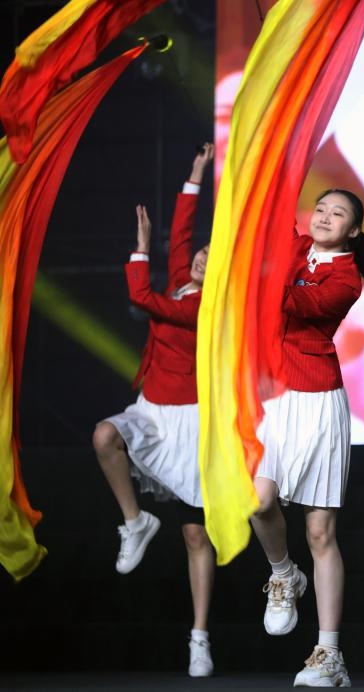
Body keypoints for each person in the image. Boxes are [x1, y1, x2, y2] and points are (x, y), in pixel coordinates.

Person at [250, 188, 364, 688]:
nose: (324, 217)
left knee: (320, 533)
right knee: (258, 502)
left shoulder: (345, 280)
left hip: (316, 401)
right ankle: (282, 573)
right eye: (319, 208)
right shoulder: (296, 248)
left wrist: (261, 275)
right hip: (271, 396)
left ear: (353, 231)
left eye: (337, 213)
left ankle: (329, 654)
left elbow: (289, 299)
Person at [92, 144, 216, 677]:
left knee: (195, 534)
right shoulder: (184, 282)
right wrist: (194, 176)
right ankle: (135, 521)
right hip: (152, 407)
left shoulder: (200, 307)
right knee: (104, 437)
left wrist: (140, 250)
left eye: (212, 260)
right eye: (201, 255)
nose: (199, 259)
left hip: (189, 422)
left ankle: (199, 638)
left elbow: (142, 297)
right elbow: (184, 234)